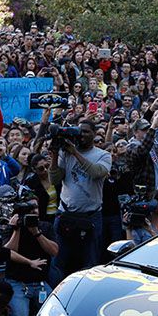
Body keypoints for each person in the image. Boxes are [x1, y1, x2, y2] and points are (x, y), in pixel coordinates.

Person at [50, 120, 111, 282]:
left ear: (94, 134)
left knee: (90, 263)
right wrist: (56, 153)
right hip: (65, 214)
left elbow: (96, 172)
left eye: (85, 132)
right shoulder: (66, 153)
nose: (81, 135)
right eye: (79, 132)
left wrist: (75, 153)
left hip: (91, 216)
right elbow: (54, 179)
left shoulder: (103, 155)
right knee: (58, 262)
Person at [2, 198, 58, 316]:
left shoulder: (45, 226)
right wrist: (16, 230)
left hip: (40, 283)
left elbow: (54, 251)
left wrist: (37, 233)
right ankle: (9, 307)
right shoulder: (12, 228)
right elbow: (8, 253)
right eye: (28, 209)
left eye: (35, 208)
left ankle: (32, 306)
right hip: (18, 282)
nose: (33, 211)